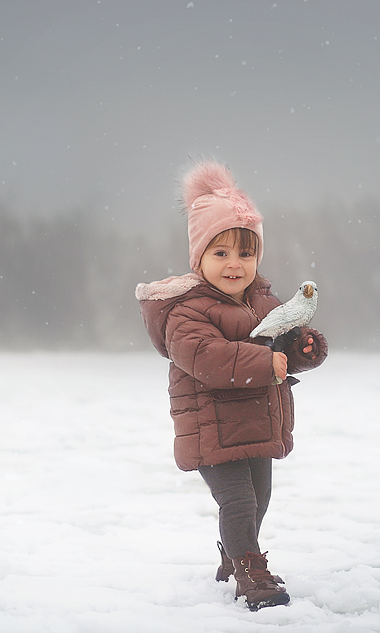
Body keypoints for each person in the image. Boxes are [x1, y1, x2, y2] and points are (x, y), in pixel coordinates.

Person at [135, 160, 328, 610]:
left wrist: (303, 349)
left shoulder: (266, 302)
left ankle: (234, 553)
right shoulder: (187, 310)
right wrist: (266, 362)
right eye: (220, 253)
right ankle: (250, 574)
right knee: (239, 501)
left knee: (259, 499)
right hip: (212, 427)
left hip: (256, 422)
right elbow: (208, 358)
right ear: (199, 258)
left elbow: (282, 345)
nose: (234, 265)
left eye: (244, 254)